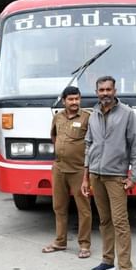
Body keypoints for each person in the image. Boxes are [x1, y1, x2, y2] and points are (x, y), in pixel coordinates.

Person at [81, 76, 136, 270]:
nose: (105, 93)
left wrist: (133, 176)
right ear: (96, 92)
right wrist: (85, 176)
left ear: (115, 90)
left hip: (116, 176)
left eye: (108, 89)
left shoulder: (127, 114)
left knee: (120, 222)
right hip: (95, 175)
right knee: (104, 221)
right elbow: (88, 145)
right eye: (101, 90)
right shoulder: (93, 115)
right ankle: (107, 261)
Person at [41, 86, 92, 259]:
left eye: (77, 99)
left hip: (79, 170)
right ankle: (60, 242)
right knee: (59, 207)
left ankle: (84, 245)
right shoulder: (58, 117)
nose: (74, 102)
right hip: (59, 168)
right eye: (71, 99)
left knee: (83, 208)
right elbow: (54, 137)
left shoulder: (87, 118)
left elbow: (93, 143)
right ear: (64, 101)